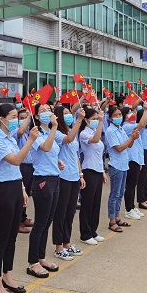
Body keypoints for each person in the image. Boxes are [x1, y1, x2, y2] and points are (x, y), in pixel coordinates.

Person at [0, 103, 39, 293]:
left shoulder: (9, 137)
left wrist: (22, 188)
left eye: (16, 117)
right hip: (3, 189)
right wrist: (31, 140)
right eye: (12, 117)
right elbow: (16, 160)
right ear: (1, 119)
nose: (16, 120)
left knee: (12, 237)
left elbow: (15, 168)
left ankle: (7, 276)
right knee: (2, 238)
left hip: (15, 186)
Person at [27, 104, 61, 278]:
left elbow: (51, 153)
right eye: (42, 111)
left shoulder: (50, 133)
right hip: (42, 180)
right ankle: (33, 262)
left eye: (49, 109)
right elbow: (45, 148)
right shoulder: (36, 133)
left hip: (55, 179)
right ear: (37, 117)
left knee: (47, 222)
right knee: (40, 224)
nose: (47, 112)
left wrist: (58, 162)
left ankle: (41, 257)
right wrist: (54, 127)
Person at [51, 105, 85, 261]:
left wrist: (80, 174)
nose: (68, 115)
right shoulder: (57, 133)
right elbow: (68, 139)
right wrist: (79, 120)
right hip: (63, 177)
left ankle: (67, 243)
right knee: (61, 213)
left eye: (69, 113)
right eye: (65, 113)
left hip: (74, 176)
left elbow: (76, 155)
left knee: (70, 212)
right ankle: (58, 247)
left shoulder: (72, 130)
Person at [104, 106, 139, 232]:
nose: (119, 117)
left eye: (120, 114)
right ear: (110, 118)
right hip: (116, 165)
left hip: (124, 165)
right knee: (114, 194)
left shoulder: (120, 129)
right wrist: (131, 138)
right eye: (116, 115)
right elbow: (118, 148)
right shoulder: (110, 131)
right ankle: (112, 221)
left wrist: (133, 137)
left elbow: (129, 145)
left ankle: (117, 217)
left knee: (120, 193)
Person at [78, 108, 106, 245]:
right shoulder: (84, 133)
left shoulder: (96, 131)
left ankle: (93, 231)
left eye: (97, 118)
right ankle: (85, 233)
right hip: (88, 170)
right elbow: (95, 140)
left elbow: (99, 155)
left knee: (96, 203)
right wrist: (100, 121)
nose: (95, 121)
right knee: (87, 204)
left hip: (98, 170)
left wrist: (103, 172)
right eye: (93, 119)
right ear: (86, 120)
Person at [16, 108, 34, 234]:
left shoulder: (29, 132)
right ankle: (18, 222)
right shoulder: (17, 131)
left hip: (30, 166)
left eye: (25, 117)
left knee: (27, 194)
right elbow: (20, 131)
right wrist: (28, 116)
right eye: (21, 118)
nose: (24, 120)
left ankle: (23, 217)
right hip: (21, 165)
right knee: (20, 195)